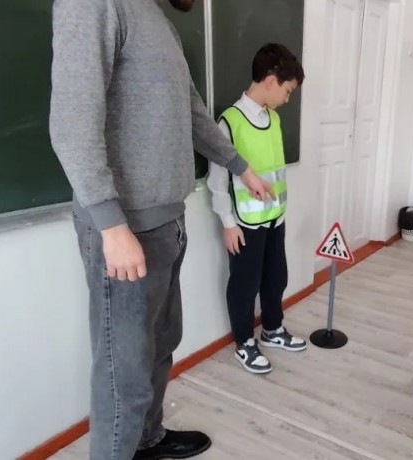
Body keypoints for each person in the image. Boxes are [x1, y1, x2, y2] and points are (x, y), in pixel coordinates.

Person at [49, 0, 275, 458]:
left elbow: (192, 114)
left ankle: (147, 440)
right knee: (123, 378)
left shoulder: (160, 22)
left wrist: (240, 166)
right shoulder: (94, 4)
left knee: (161, 346)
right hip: (125, 231)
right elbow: (72, 123)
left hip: (167, 223)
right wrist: (112, 225)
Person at [207, 43, 307, 374]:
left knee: (276, 278)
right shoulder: (230, 122)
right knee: (244, 286)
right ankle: (244, 343)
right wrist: (227, 222)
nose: (287, 99)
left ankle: (273, 329)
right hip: (245, 224)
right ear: (271, 80)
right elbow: (217, 180)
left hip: (274, 218)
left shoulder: (273, 119)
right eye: (288, 91)